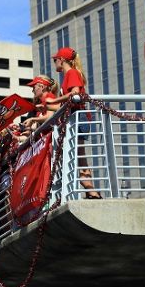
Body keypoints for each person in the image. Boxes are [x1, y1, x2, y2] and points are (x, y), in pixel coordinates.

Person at [42, 47, 102, 199]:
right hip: (75, 116)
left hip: (77, 117)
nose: (54, 62)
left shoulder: (72, 73)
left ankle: (91, 191)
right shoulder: (70, 74)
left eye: (55, 59)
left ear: (62, 60)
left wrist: (54, 100)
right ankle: (90, 191)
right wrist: (49, 106)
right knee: (78, 155)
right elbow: (69, 101)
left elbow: (75, 93)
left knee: (79, 155)